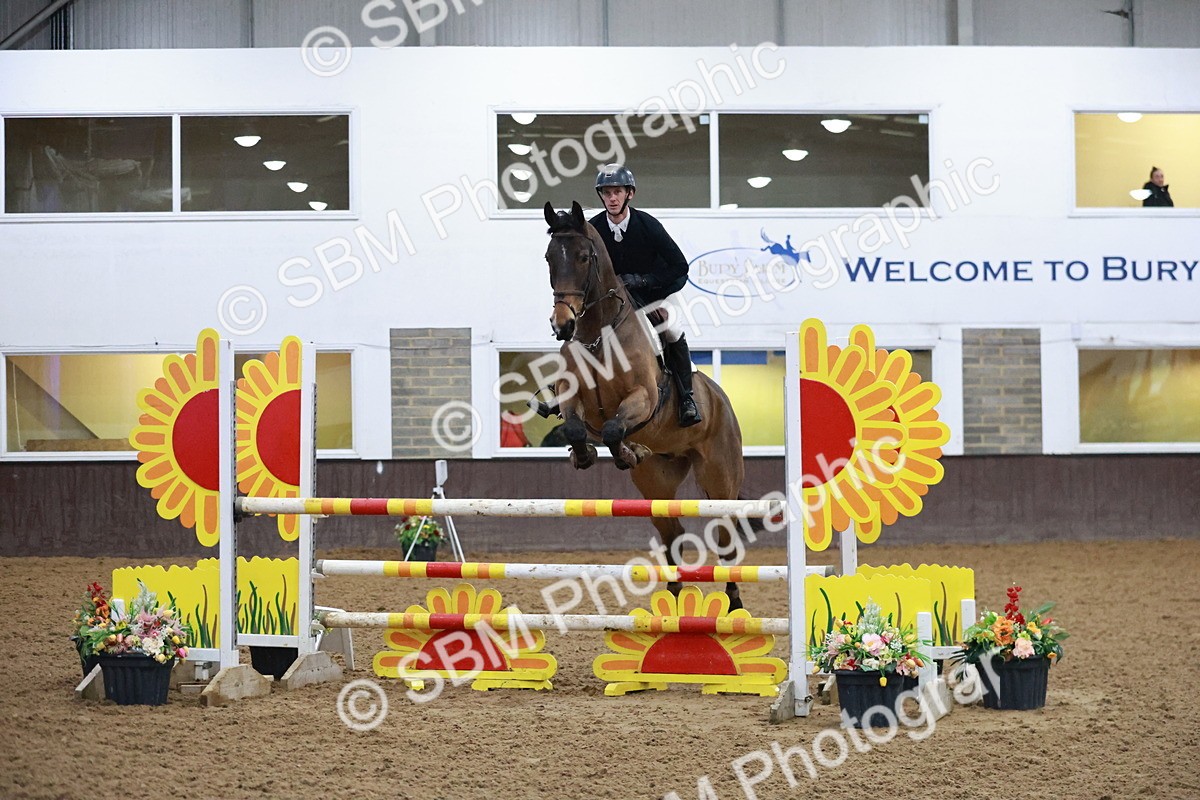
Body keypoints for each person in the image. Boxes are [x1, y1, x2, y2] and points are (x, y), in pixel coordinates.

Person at [589, 163, 702, 427]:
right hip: (615, 298)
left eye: (617, 192)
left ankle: (686, 398)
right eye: (607, 193)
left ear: (629, 194)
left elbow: (679, 266)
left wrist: (642, 280)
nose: (612, 198)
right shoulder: (594, 228)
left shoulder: (648, 225)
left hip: (655, 290)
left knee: (671, 329)